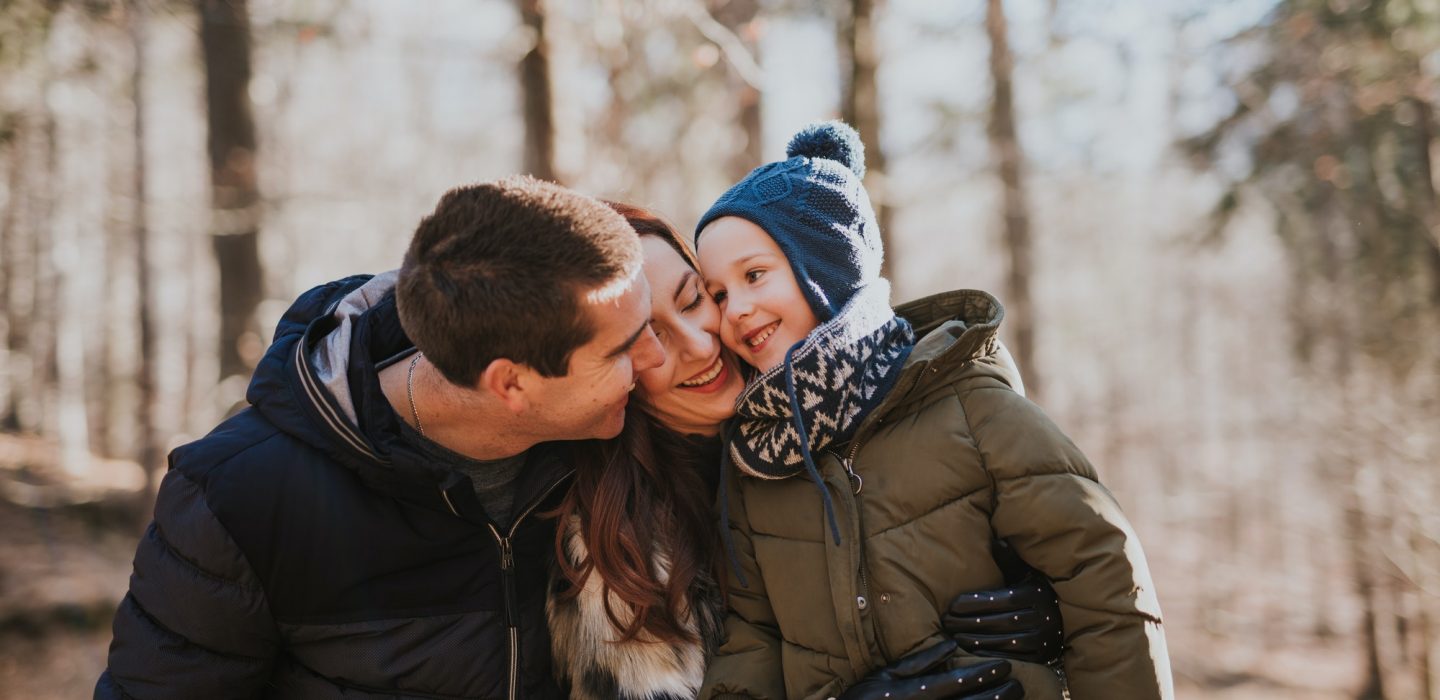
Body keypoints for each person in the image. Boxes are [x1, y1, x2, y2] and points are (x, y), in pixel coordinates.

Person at [96, 176, 667, 699]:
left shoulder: (617, 438)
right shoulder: (234, 500)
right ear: (511, 383)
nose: (657, 358)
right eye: (623, 348)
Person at [691, 122, 1174, 699]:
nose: (735, 309)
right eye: (718, 294)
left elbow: (1105, 582)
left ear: (826, 264)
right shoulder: (757, 461)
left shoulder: (971, 406)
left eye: (754, 275)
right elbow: (753, 640)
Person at [544, 202, 1065, 700]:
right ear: (617, 369)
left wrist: (1046, 599)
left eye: (693, 299)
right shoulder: (614, 551)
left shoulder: (850, 424)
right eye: (650, 335)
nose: (700, 345)